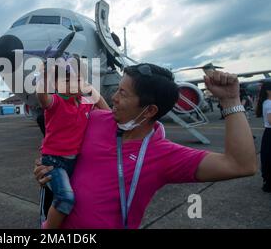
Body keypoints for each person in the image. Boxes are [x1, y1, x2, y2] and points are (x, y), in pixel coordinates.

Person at [34, 63, 257, 229]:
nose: (114, 98)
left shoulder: (163, 155)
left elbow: (240, 165)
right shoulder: (95, 120)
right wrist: (45, 168)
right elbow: (59, 139)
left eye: (122, 93)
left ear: (149, 110)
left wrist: (230, 101)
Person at [36, 58, 110, 229]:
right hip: (54, 161)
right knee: (65, 198)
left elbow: (107, 113)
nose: (74, 84)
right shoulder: (57, 102)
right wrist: (43, 76)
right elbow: (43, 98)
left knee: (75, 199)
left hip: (75, 161)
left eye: (78, 79)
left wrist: (91, 90)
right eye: (67, 80)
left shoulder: (84, 103)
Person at [256, 82, 271, 192]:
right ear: (268, 91)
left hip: (268, 133)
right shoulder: (269, 103)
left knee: (267, 158)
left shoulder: (266, 102)